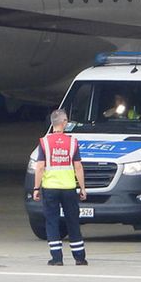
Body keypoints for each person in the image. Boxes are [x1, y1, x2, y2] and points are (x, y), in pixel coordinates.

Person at [32, 108, 88, 266]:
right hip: (69, 188)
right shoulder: (72, 142)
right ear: (64, 123)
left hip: (50, 188)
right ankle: (80, 257)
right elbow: (78, 167)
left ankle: (56, 258)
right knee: (72, 221)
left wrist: (36, 188)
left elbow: (40, 167)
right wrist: (82, 188)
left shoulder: (44, 142)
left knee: (52, 221)